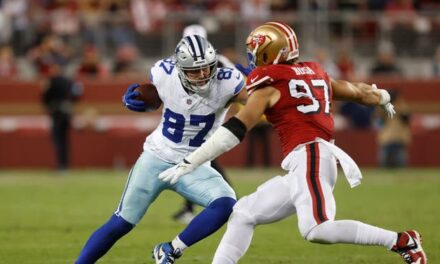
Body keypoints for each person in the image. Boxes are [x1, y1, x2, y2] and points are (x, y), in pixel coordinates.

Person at [159, 22, 427, 264]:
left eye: (256, 50)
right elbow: (358, 91)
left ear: (268, 51)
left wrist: (192, 160)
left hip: (310, 155)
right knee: (243, 213)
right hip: (308, 160)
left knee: (317, 229)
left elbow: (237, 128)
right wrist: (382, 97)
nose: (252, 57)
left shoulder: (269, 82)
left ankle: (402, 241)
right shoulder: (314, 72)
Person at [75, 34, 247, 264]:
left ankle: (170, 249)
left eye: (207, 68)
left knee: (226, 204)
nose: (203, 75)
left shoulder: (227, 82)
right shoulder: (164, 73)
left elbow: (257, 101)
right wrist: (131, 98)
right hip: (157, 158)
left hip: (194, 165)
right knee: (121, 222)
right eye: (195, 71)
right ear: (180, 69)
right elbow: (149, 94)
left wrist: (257, 81)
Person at [172, 24, 236, 224]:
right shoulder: (177, 62)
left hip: (209, 121)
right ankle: (196, 206)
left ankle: (229, 203)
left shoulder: (221, 62)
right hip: (191, 121)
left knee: (198, 162)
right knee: (197, 162)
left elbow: (237, 84)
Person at [42, 63, 82, 171]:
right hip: (67, 112)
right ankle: (65, 165)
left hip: (57, 113)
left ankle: (60, 165)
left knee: (58, 140)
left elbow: (44, 97)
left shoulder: (50, 82)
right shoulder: (68, 81)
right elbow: (77, 94)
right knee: (65, 140)